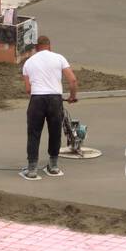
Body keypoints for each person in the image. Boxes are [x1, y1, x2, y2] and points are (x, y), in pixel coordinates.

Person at [20, 35, 79, 179]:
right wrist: (72, 96)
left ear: (36, 48)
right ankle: (53, 166)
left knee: (34, 133)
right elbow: (72, 80)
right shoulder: (59, 58)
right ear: (50, 46)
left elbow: (28, 89)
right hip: (55, 99)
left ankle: (32, 169)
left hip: (37, 99)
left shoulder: (28, 62)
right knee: (55, 132)